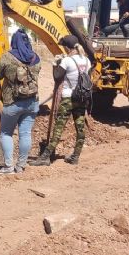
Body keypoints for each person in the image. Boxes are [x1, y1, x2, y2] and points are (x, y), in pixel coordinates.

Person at [31, 35, 91, 166]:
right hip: (81, 98)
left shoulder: (67, 61)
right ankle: (75, 156)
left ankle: (46, 157)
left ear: (67, 47)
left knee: (59, 128)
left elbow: (57, 77)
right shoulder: (87, 60)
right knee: (80, 128)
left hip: (68, 98)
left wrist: (55, 65)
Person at [0, 29, 41, 174]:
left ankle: (8, 167)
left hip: (12, 102)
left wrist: (8, 74)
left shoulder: (8, 57)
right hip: (32, 102)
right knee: (25, 134)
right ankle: (20, 166)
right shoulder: (36, 58)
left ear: (14, 41)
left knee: (6, 133)